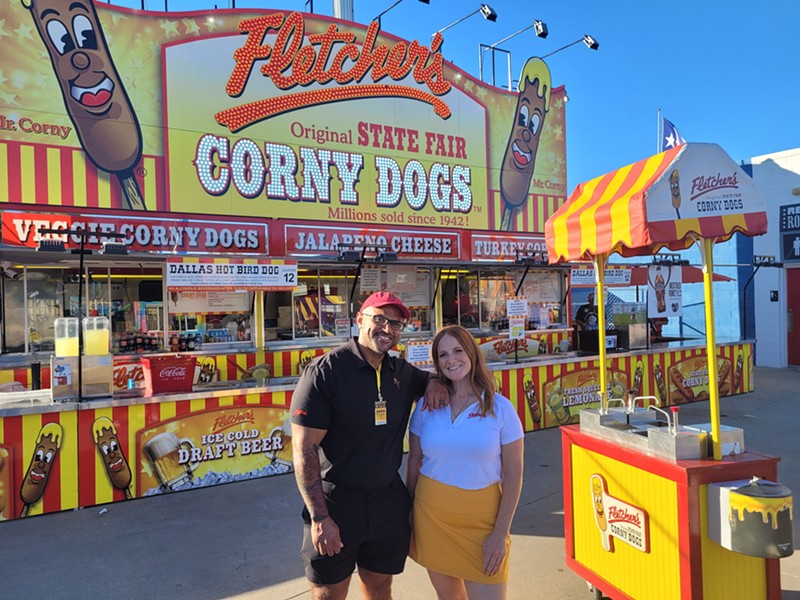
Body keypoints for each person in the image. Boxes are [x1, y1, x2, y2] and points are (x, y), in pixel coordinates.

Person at [290, 290, 449, 600]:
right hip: (336, 504)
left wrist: (436, 381)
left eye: (396, 323)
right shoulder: (325, 373)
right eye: (380, 319)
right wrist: (320, 518)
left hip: (388, 502)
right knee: (328, 593)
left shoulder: (400, 371)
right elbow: (304, 450)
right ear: (359, 320)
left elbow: (432, 379)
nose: (387, 329)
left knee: (379, 588)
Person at [406, 325, 524, 600]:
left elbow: (514, 473)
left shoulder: (501, 408)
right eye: (443, 354)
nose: (452, 360)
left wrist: (500, 534)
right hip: (431, 518)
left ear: (472, 353)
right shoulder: (428, 405)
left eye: (458, 351)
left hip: (483, 522)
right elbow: (414, 462)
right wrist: (406, 516)